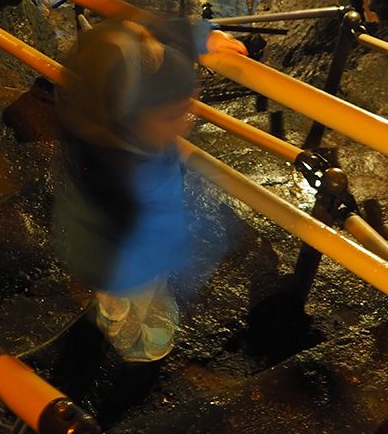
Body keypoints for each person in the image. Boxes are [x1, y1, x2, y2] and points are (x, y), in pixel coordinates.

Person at [53, 18, 246, 362]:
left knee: (147, 285)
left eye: (188, 108)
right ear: (129, 117)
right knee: (129, 295)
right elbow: (108, 238)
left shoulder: (133, 125)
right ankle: (126, 333)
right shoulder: (109, 172)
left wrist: (202, 36)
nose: (186, 124)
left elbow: (157, 28)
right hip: (122, 264)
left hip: (142, 246)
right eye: (173, 115)